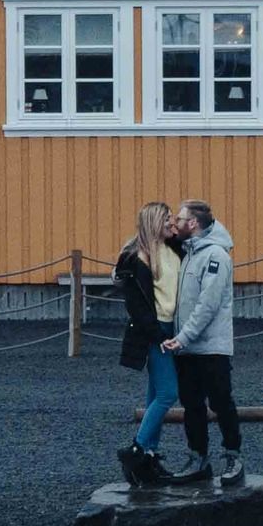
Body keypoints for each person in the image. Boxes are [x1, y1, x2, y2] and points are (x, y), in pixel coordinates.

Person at [163, 199, 242, 486]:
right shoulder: (189, 253)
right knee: (192, 405)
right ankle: (198, 458)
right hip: (187, 348)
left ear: (193, 223)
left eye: (180, 220)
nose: (176, 225)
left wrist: (181, 337)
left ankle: (233, 456)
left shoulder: (216, 258)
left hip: (211, 348)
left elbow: (207, 305)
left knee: (221, 402)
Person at [114, 200, 181, 493]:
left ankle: (150, 456)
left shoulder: (174, 248)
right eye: (167, 219)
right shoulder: (135, 260)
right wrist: (158, 336)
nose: (173, 223)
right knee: (168, 393)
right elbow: (138, 308)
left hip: (172, 328)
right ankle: (137, 451)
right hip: (155, 332)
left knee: (156, 391)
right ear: (155, 222)